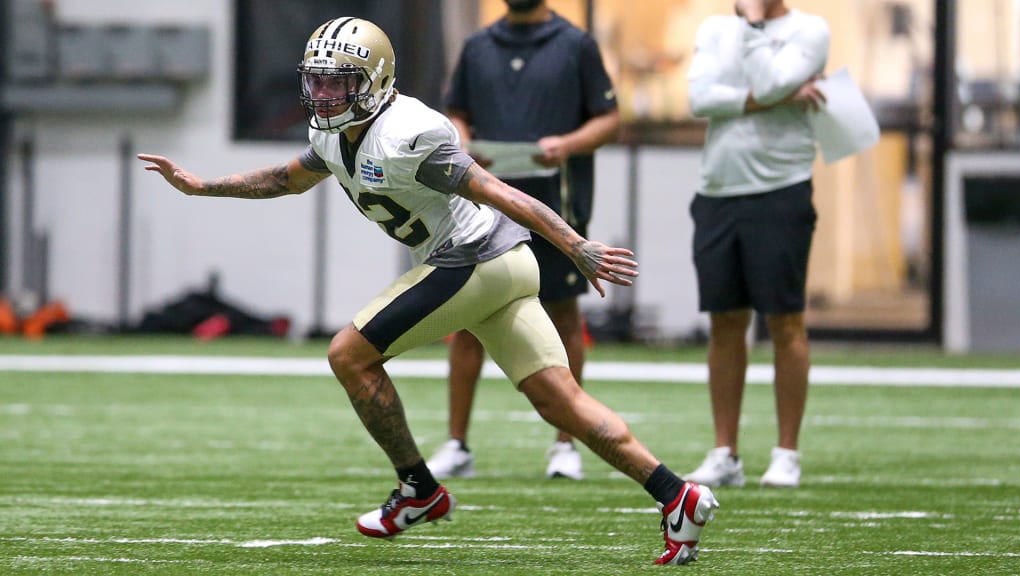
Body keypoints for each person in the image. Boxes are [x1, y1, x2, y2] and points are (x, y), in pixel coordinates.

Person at [138, 16, 718, 565]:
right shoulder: (334, 132)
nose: (324, 93)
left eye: (339, 82)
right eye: (317, 80)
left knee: (348, 354)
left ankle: (418, 488)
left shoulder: (407, 135)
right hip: (502, 266)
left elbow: (498, 191)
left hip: (475, 262)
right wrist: (201, 186)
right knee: (561, 403)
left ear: (376, 82)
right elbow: (286, 179)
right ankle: (677, 496)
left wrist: (574, 244)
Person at [427, 0, 620, 482]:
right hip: (484, 209)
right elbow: (457, 114)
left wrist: (568, 145)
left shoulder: (575, 45)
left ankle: (565, 445)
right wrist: (465, 143)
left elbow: (609, 118)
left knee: (562, 314)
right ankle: (457, 443)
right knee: (467, 314)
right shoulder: (477, 46)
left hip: (559, 205)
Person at [683, 0, 830, 489]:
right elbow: (700, 98)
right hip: (718, 191)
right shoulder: (713, 28)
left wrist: (754, 28)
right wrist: (772, 98)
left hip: (780, 190)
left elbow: (769, 80)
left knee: (785, 320)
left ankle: (786, 453)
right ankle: (725, 452)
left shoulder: (810, 31)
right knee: (725, 322)